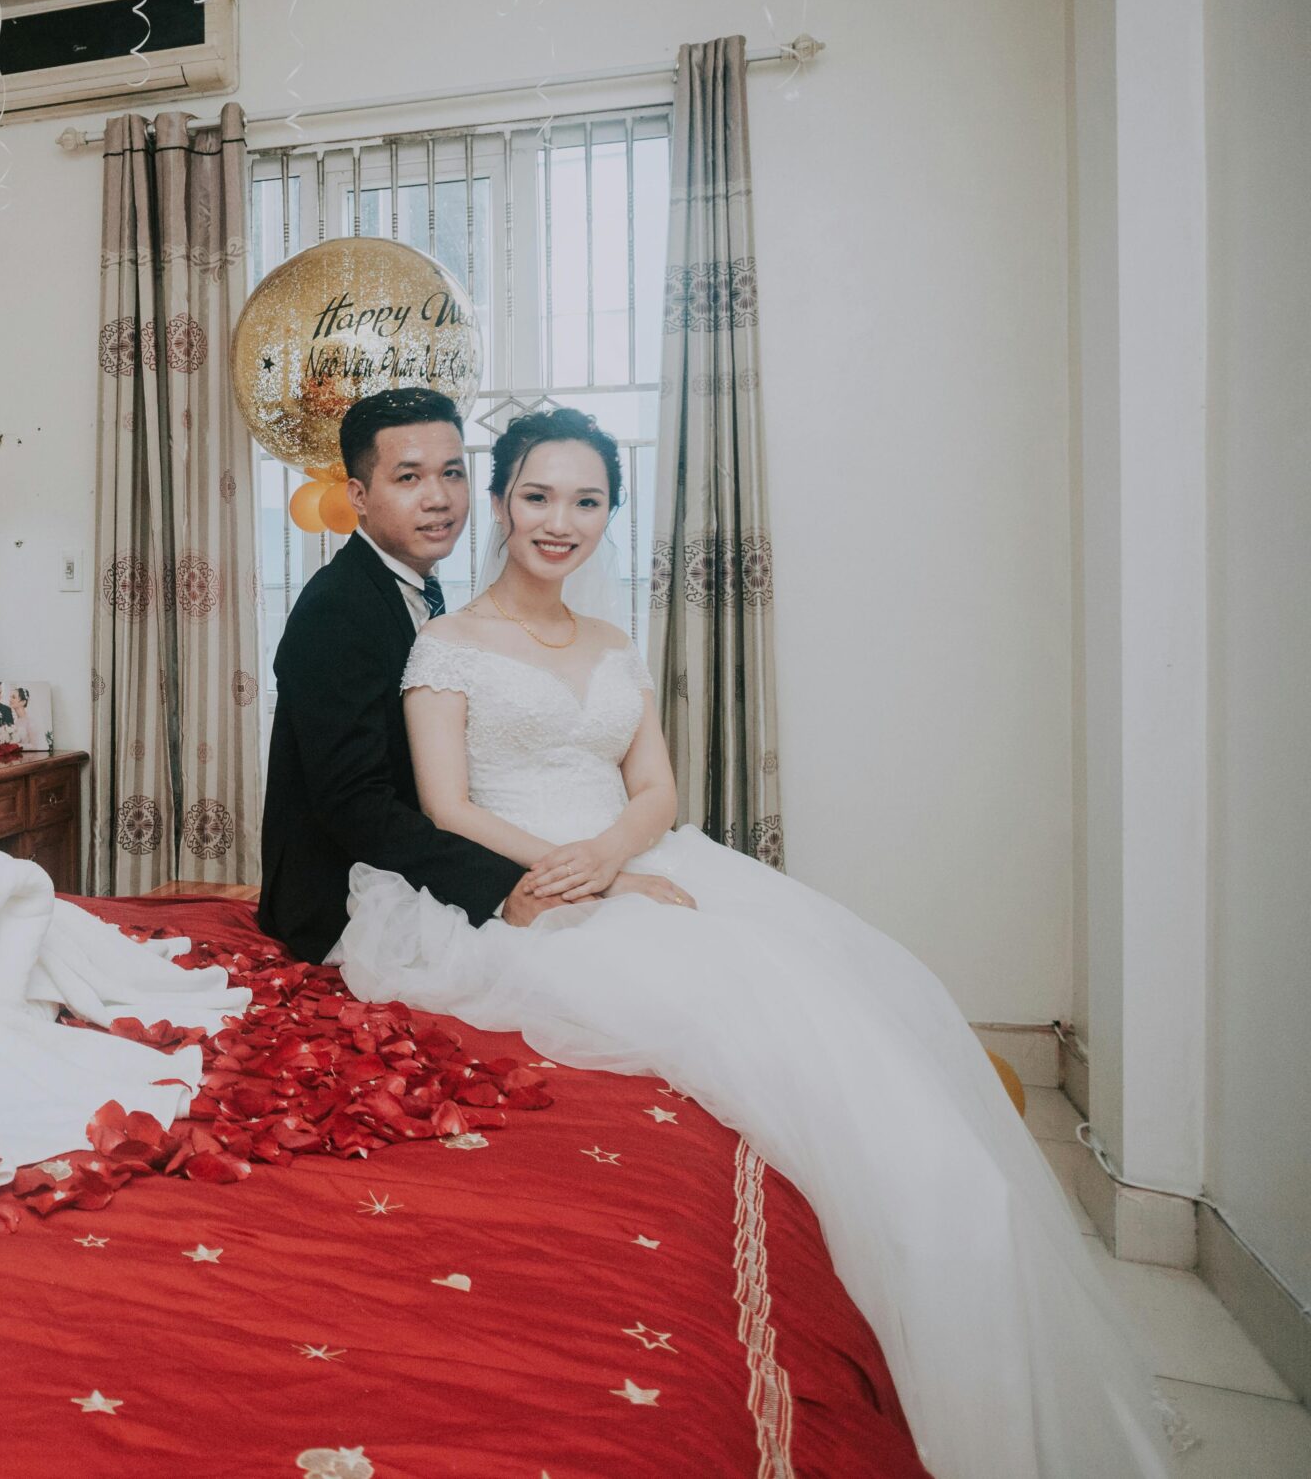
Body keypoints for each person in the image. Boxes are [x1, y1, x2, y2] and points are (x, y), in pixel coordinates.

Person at [333, 403, 1173, 1479]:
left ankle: (958, 1293)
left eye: (586, 501)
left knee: (857, 1017)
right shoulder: (444, 644)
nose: (560, 521)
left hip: (646, 860)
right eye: (537, 496)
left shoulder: (610, 641)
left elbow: (655, 785)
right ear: (500, 503)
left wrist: (625, 853)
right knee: (740, 1025)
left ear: (607, 515)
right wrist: (583, 869)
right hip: (536, 883)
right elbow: (447, 807)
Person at [259, 387, 544, 963]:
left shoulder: (415, 590)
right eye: (409, 478)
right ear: (359, 496)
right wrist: (502, 888)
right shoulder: (337, 609)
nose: (439, 499)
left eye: (452, 473)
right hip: (342, 900)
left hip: (412, 863)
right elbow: (355, 806)